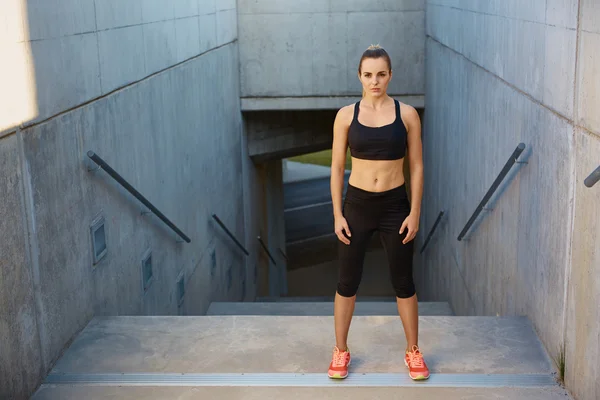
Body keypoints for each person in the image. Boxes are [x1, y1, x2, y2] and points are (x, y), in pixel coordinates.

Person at [327, 44, 428, 381]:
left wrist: (414, 212)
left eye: (381, 74)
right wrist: (338, 214)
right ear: (359, 76)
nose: (375, 80)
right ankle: (341, 350)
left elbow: (416, 166)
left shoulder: (407, 114)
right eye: (368, 74)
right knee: (347, 282)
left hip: (394, 207)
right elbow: (337, 166)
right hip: (356, 206)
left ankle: (413, 351)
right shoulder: (345, 115)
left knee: (404, 282)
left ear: (390, 75)